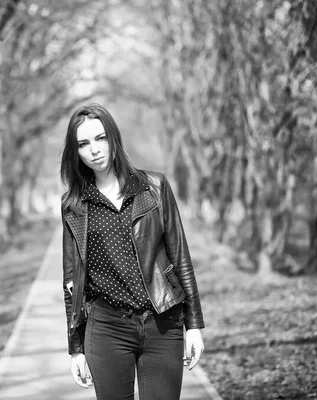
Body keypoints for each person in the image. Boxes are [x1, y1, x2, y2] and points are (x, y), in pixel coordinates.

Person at [60, 103, 205, 400]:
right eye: (84, 144)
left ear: (114, 139)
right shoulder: (74, 205)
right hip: (107, 329)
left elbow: (180, 258)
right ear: (76, 152)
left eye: (100, 138)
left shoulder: (154, 187)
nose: (94, 150)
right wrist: (75, 348)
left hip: (162, 323)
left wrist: (194, 325)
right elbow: (71, 282)